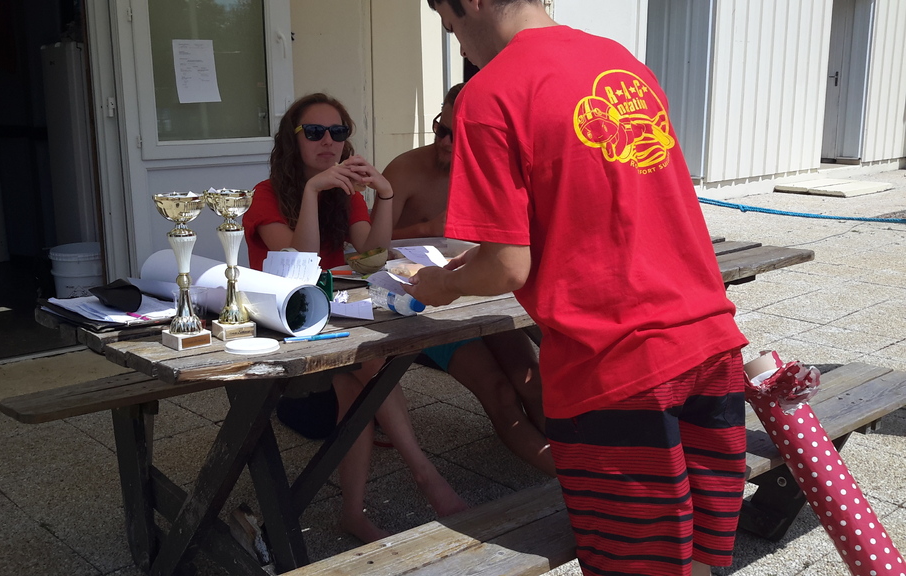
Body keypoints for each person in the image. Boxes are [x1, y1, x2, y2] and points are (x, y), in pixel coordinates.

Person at [406, 3, 749, 576]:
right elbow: (603, 208)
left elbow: (506, 270)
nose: (459, 46)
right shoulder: (621, 63)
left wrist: (444, 283)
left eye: (450, 24)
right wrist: (484, 257)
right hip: (711, 346)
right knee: (699, 561)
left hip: (617, 369)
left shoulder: (491, 94)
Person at [242, 92, 468, 543]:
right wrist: (312, 191)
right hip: (285, 333)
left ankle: (356, 513)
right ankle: (426, 477)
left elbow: (372, 253)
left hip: (332, 324)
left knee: (361, 380)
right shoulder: (266, 195)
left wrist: (384, 194)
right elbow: (301, 261)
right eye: (314, 132)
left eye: (338, 132)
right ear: (293, 140)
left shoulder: (344, 194)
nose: (328, 141)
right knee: (368, 369)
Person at [383, 84, 554, 476]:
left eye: (457, 135)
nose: (445, 142)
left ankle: (573, 472)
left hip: (477, 289)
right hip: (425, 299)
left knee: (532, 382)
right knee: (499, 392)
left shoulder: (490, 171)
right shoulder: (405, 169)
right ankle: (576, 484)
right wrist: (428, 227)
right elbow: (370, 244)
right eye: (441, 129)